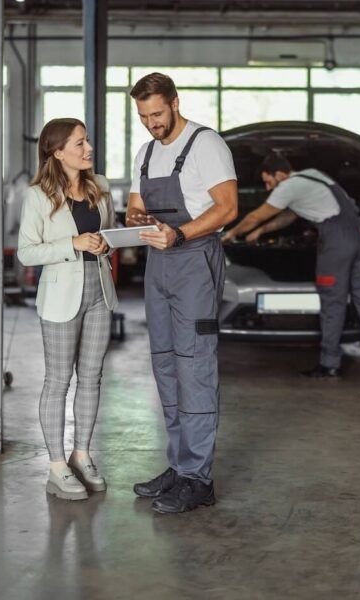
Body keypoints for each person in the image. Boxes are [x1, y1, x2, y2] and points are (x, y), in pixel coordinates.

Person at [125, 73, 238, 514]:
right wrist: (136, 220)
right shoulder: (147, 152)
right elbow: (136, 204)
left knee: (194, 365)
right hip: (159, 262)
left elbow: (228, 207)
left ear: (175, 103)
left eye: (157, 114)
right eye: (143, 117)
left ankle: (198, 478)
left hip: (195, 261)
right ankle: (179, 464)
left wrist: (181, 233)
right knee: (166, 365)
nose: (152, 124)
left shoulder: (206, 144)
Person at [221, 153, 360, 381]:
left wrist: (232, 233)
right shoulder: (313, 175)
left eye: (268, 181)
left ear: (280, 174)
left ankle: (329, 365)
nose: (267, 187)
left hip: (336, 239)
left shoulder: (289, 186)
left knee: (333, 302)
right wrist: (263, 231)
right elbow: (290, 216)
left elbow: (255, 215)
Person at [17, 118, 119, 501]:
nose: (88, 148)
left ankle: (82, 456)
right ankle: (57, 466)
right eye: (79, 143)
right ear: (57, 152)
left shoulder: (101, 187)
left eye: (88, 140)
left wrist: (105, 244)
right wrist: (73, 243)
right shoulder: (38, 196)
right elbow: (27, 252)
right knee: (58, 381)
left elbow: (107, 235)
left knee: (91, 377)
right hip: (61, 295)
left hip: (99, 292)